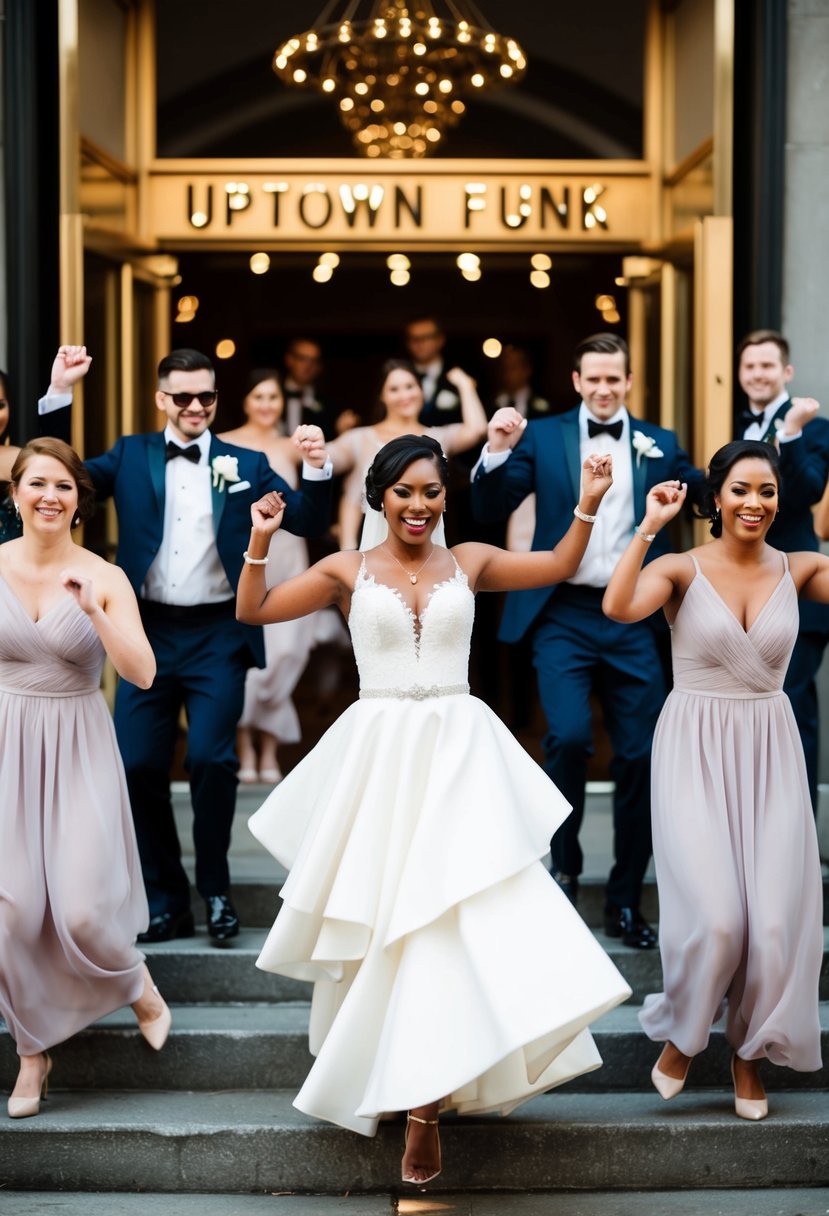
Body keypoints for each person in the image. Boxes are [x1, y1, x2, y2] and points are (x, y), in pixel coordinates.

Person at [237, 434, 631, 1185]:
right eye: (404, 493)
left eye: (431, 492)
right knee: (390, 919)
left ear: (444, 498)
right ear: (377, 498)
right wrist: (259, 540)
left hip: (459, 755)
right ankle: (394, 1071)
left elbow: (556, 565)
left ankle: (425, 1105)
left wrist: (588, 501)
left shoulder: (470, 561)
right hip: (380, 757)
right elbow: (252, 609)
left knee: (448, 919)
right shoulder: (343, 571)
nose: (418, 507)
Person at [14, 348, 333, 945]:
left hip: (218, 633)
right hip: (145, 629)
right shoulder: (132, 455)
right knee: (137, 765)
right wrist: (59, 394)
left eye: (205, 396)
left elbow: (309, 520)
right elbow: (63, 475)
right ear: (161, 398)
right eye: (181, 396)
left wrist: (315, 465)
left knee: (213, 759)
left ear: (216, 398)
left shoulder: (247, 461)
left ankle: (215, 891)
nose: (194, 407)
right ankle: (164, 897)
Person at [603, 440, 824, 1120]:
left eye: (765, 491)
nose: (753, 503)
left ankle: (747, 1057)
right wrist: (645, 527)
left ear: (778, 500)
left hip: (771, 746)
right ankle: (682, 1030)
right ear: (715, 499)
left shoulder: (802, 566)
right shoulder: (678, 567)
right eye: (740, 490)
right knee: (721, 919)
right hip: (694, 747)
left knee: (775, 924)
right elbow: (616, 608)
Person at [470, 332, 703, 947]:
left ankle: (627, 896)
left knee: (641, 754)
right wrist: (495, 451)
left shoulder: (661, 442)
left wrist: (745, 478)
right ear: (576, 381)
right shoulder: (543, 437)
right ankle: (565, 868)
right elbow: (491, 502)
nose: (603, 389)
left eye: (614, 379)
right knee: (568, 737)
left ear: (628, 382)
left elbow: (698, 491)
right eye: (593, 378)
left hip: (633, 615)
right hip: (562, 611)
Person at [0, 438, 171, 1120]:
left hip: (76, 743)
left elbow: (143, 673)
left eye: (64, 486)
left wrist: (94, 609)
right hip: (6, 739)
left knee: (78, 909)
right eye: (37, 483)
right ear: (15, 494)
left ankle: (136, 982)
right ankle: (33, 1057)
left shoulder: (105, 574)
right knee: (9, 913)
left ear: (79, 500)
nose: (50, 496)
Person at [734, 329, 829, 812]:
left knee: (792, 711)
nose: (757, 375)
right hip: (733, 598)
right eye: (749, 366)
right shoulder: (730, 422)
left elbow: (810, 490)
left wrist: (789, 433)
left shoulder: (815, 428)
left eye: (767, 366)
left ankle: (799, 827)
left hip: (795, 589)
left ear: (786, 372)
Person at [218, 369, 327, 785]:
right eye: (259, 396)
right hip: (246, 554)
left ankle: (270, 747)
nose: (267, 404)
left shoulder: (291, 446)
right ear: (245, 400)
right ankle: (246, 747)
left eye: (274, 396)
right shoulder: (224, 443)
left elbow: (319, 489)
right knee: (248, 654)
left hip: (288, 554)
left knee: (287, 650)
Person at [326, 358, 486, 550]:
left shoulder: (438, 437)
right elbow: (340, 479)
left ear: (421, 390)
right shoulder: (360, 438)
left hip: (426, 540)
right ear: (382, 396)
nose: (404, 395)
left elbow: (477, 429)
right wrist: (348, 548)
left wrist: (465, 385)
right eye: (394, 389)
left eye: (410, 386)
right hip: (371, 542)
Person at [282, 338, 358, 440]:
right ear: (289, 359)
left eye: (314, 361)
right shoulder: (272, 395)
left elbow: (331, 440)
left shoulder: (328, 402)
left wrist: (342, 431)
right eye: (302, 359)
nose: (308, 366)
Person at [404, 316, 465, 428]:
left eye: (426, 337)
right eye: (414, 338)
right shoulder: (401, 374)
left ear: (440, 340)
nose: (420, 343)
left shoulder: (459, 374)